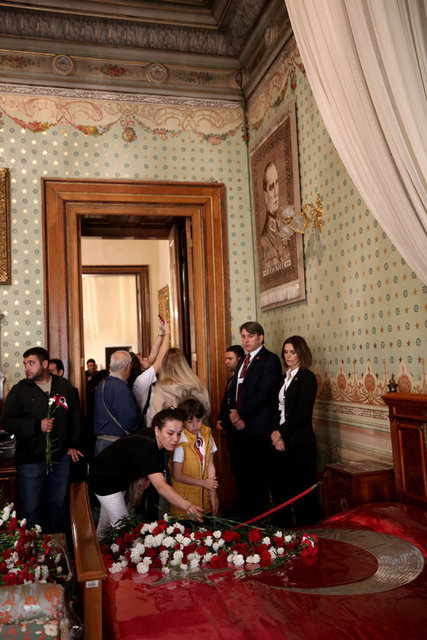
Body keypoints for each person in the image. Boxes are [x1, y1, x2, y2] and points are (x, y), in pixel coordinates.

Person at [1, 347, 83, 532]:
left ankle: (57, 547)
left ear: (45, 364)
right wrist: (36, 426)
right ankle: (33, 548)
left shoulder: (65, 387)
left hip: (59, 459)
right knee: (31, 509)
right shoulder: (19, 390)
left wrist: (72, 444)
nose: (27, 368)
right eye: (25, 364)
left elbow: (75, 417)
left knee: (58, 506)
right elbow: (7, 421)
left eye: (31, 363)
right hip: (30, 460)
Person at [90, 408, 203, 539]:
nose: (175, 439)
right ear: (157, 430)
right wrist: (187, 506)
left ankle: (97, 550)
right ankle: (97, 550)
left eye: (179, 434)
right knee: (124, 530)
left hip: (116, 477)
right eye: (170, 433)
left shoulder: (157, 440)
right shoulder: (146, 447)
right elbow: (162, 487)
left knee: (106, 527)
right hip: (104, 479)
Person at [227, 322, 282, 520]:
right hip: (240, 428)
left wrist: (240, 415)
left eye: (250, 336)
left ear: (260, 337)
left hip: (258, 428)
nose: (246, 340)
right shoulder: (243, 360)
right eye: (243, 336)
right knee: (243, 476)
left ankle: (258, 521)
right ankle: (244, 517)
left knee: (258, 478)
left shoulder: (270, 360)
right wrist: (233, 413)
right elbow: (235, 389)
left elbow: (263, 393)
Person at [270, 336, 323, 527]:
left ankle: (308, 531)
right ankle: (284, 530)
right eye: (285, 352)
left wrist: (281, 432)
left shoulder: (307, 378)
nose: (288, 356)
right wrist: (276, 434)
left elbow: (302, 413)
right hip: (280, 440)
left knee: (302, 489)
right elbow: (276, 409)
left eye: (292, 352)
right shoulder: (283, 378)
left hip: (300, 441)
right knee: (280, 487)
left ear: (301, 353)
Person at [170, 397, 218, 517]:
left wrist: (212, 497)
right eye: (190, 422)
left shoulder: (207, 435)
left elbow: (210, 466)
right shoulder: (180, 441)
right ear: (183, 422)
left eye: (198, 420)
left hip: (205, 500)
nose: (195, 425)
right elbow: (177, 475)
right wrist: (203, 483)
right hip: (186, 504)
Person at [93, 350, 142, 456]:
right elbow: (130, 421)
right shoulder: (121, 387)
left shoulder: (102, 384)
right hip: (115, 443)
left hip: (100, 442)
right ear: (129, 367)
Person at [147, 347, 210, 427]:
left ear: (163, 366)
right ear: (184, 364)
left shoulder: (160, 391)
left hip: (174, 433)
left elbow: (156, 421)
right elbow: (207, 411)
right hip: (198, 432)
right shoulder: (197, 386)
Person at [132, 319, 171, 415]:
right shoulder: (141, 380)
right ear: (140, 368)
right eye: (143, 359)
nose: (146, 358)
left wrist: (161, 331)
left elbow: (153, 354)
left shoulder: (139, 377)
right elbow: (161, 358)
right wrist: (167, 334)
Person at [260, 161, 291, 272]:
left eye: (277, 183)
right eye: (271, 187)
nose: (276, 193)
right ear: (265, 196)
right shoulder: (264, 238)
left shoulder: (282, 227)